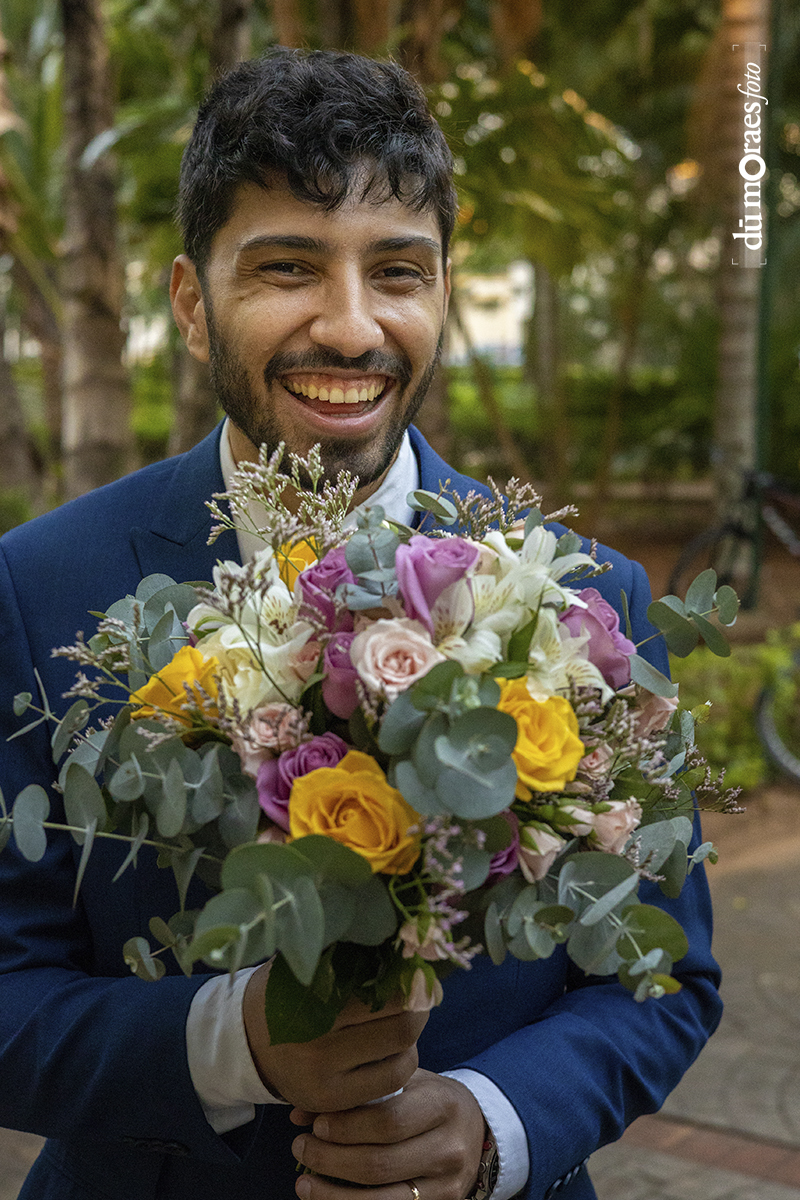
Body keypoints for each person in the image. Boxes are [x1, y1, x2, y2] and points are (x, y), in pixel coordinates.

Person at [0, 48, 721, 1200]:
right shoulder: (37, 589)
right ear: (192, 302)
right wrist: (235, 1042)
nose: (349, 328)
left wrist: (494, 1127)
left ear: (440, 287)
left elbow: (660, 980)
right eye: (287, 268)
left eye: (396, 271)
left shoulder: (594, 598)